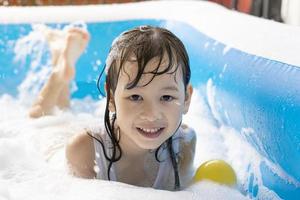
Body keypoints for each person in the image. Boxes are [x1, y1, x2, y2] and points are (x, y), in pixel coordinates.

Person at [30, 25, 196, 191]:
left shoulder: (184, 145)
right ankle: (59, 74)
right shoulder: (84, 151)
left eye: (166, 97)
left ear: (186, 98)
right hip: (58, 143)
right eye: (135, 97)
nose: (152, 115)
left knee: (64, 109)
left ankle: (61, 59)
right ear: (111, 98)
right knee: (40, 117)